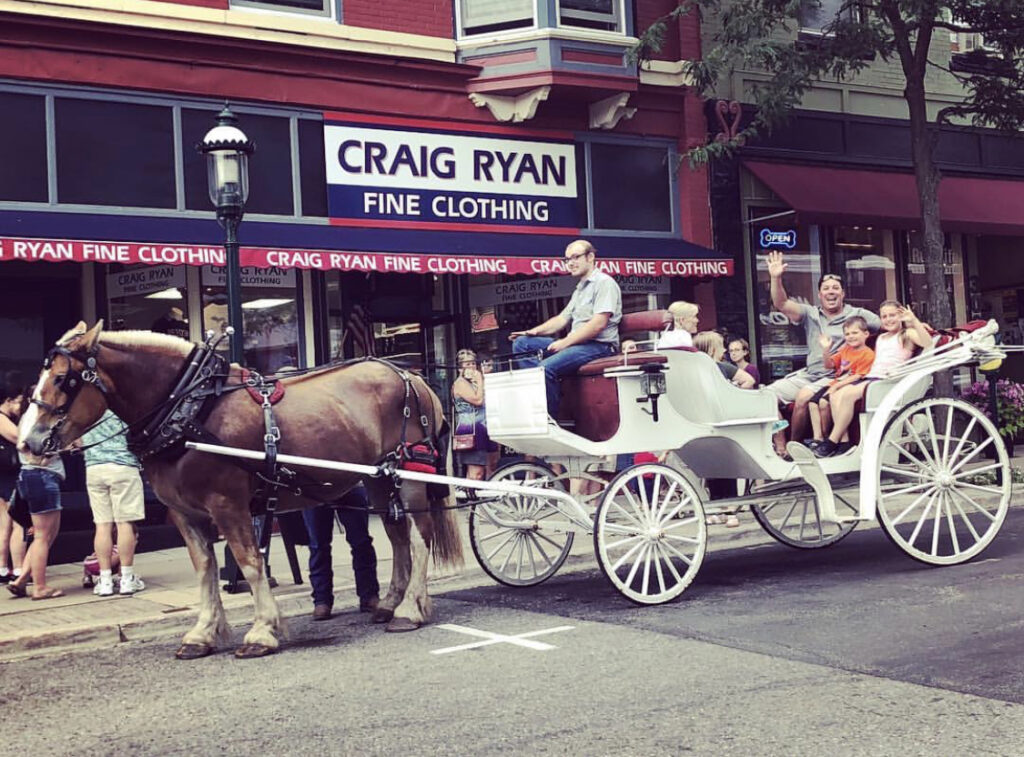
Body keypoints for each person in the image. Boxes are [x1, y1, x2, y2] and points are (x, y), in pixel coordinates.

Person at [764, 250, 880, 453]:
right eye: (826, 288)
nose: (831, 291)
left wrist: (914, 326)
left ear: (843, 293)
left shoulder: (857, 314)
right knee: (765, 396)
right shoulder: (810, 313)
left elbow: (886, 324)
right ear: (819, 294)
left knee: (802, 398)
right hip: (809, 374)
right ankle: (780, 444)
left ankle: (796, 447)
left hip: (835, 375)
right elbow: (781, 303)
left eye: (836, 288)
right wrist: (776, 278)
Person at [511, 240, 621, 416]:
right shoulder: (580, 289)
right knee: (522, 344)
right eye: (567, 259)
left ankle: (550, 419)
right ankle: (541, 393)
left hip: (599, 346)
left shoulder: (604, 283)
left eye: (576, 257)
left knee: (545, 368)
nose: (570, 263)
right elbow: (562, 319)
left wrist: (564, 343)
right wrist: (533, 331)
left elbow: (598, 324)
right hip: (576, 345)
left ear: (590, 257)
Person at [813, 302, 931, 458]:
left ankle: (832, 441)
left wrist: (914, 321)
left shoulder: (907, 334)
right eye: (884, 316)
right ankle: (844, 442)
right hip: (872, 378)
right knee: (836, 395)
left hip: (888, 381)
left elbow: (928, 343)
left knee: (848, 395)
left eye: (892, 315)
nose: (888, 319)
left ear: (900, 316)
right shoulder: (881, 337)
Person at [79, 408, 146, 596]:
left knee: (102, 526)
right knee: (125, 524)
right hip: (123, 467)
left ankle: (105, 580)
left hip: (94, 469)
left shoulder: (88, 410)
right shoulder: (120, 408)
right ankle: (126, 579)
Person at [7, 390, 65, 600]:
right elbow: (29, 447)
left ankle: (22, 580)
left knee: (47, 535)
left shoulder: (26, 417)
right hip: (42, 476)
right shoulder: (38, 417)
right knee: (41, 537)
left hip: (33, 477)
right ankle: (40, 587)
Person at [301, 484, 380, 621]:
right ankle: (321, 600)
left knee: (361, 542)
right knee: (317, 545)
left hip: (350, 482)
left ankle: (369, 596)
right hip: (313, 486)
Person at [803, 316, 875, 446]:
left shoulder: (868, 353)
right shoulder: (846, 349)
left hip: (848, 385)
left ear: (866, 334)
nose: (850, 336)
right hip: (836, 383)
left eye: (854, 333)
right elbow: (829, 365)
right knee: (812, 404)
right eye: (847, 334)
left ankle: (827, 437)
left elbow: (858, 376)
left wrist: (837, 387)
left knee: (824, 403)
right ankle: (817, 438)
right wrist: (825, 349)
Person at [0, 374, 28, 584]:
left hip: (3, 475)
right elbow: (19, 438)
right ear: (8, 401)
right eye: (18, 401)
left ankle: (2, 569)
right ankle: (18, 569)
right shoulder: (1, 418)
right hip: (8, 476)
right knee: (18, 523)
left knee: (4, 524)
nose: (20, 406)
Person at [452, 349, 493, 481]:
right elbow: (478, 401)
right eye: (467, 364)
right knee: (476, 471)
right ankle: (471, 499)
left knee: (486, 468)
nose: (471, 367)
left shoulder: (471, 383)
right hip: (470, 428)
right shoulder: (460, 383)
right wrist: (480, 379)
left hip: (481, 426)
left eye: (473, 364)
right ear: (459, 368)